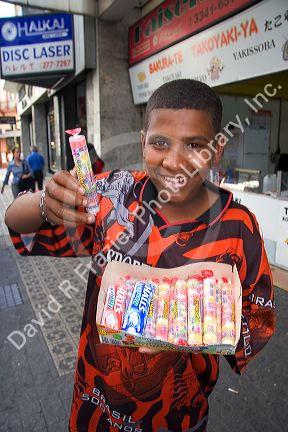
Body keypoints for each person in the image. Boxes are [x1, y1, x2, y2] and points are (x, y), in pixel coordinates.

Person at [4, 80, 275, 432]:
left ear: (217, 150)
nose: (175, 161)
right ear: (142, 141)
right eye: (160, 142)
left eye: (195, 144)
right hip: (94, 406)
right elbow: (17, 222)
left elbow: (260, 323)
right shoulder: (114, 195)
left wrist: (184, 329)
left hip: (177, 416)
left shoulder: (239, 228)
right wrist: (45, 200)